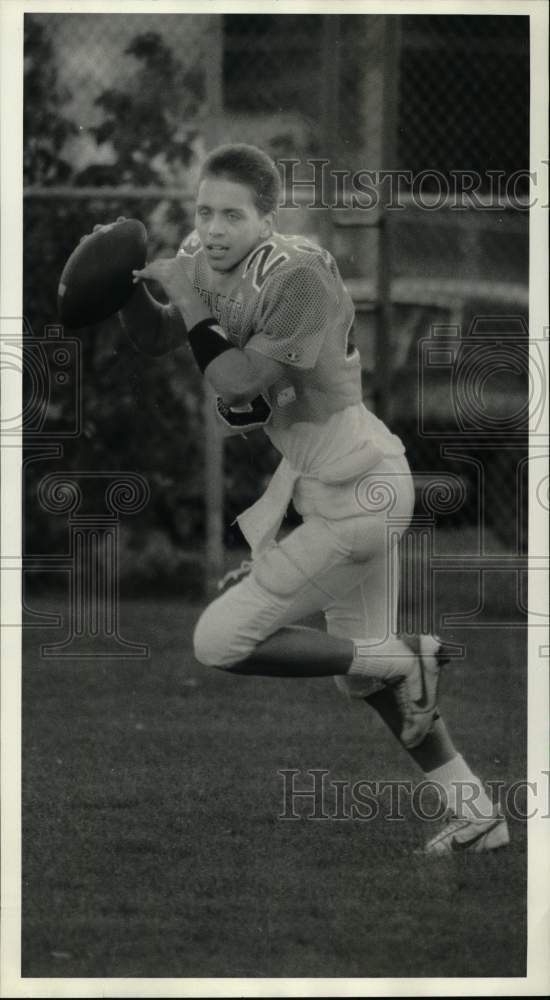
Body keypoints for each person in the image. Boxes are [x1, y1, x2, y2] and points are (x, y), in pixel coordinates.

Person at [120, 143, 508, 854]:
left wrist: (184, 293)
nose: (212, 229)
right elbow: (154, 338)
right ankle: (477, 814)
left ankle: (404, 657)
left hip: (360, 491)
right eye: (204, 211)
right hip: (333, 488)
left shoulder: (300, 276)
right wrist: (123, 287)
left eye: (232, 215)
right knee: (363, 676)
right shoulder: (206, 259)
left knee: (219, 639)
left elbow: (236, 382)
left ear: (270, 217)